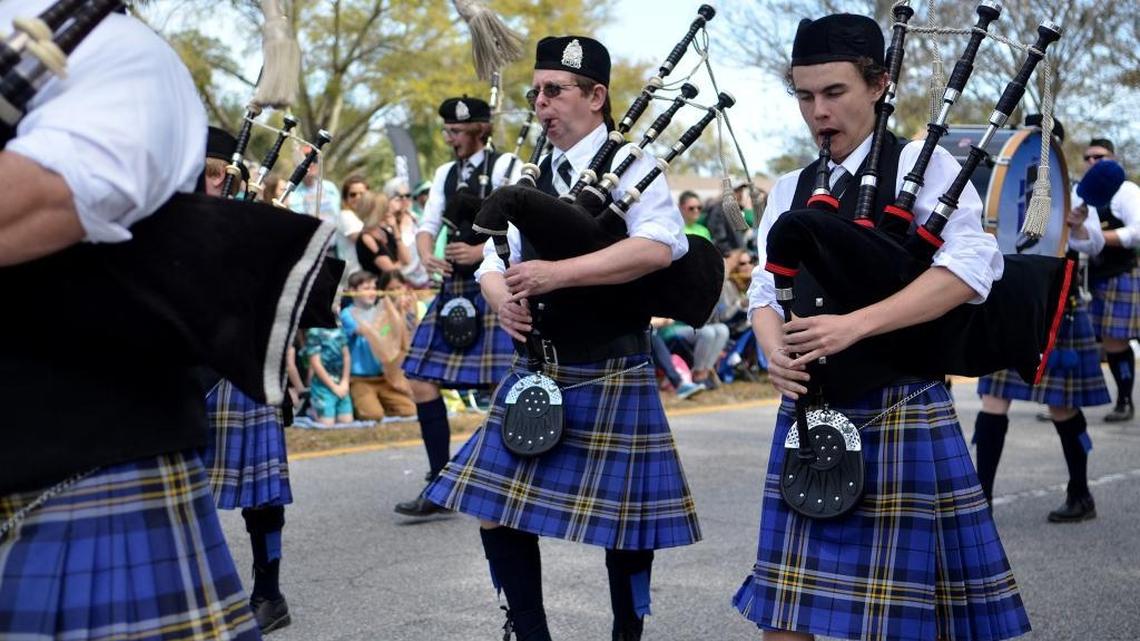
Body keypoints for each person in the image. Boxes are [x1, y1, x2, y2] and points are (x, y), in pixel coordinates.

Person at [733, 14, 1030, 640]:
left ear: (878, 85)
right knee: (783, 619)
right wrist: (769, 347)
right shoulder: (790, 187)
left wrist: (856, 326)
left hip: (901, 407)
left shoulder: (926, 166)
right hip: (810, 417)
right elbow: (767, 284)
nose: (819, 111)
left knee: (899, 625)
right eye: (805, 95)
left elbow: (971, 267)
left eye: (835, 92)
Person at [424, 35, 701, 640]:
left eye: (556, 91)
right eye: (537, 92)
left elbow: (660, 246)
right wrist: (498, 296)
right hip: (539, 368)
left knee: (625, 526)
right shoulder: (537, 172)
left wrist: (560, 273)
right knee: (493, 510)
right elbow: (496, 253)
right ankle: (528, 631)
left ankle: (628, 630)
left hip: (610, 367)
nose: (543, 104)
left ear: (596, 96)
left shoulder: (635, 168)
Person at [0, 2, 258, 638]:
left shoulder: (120, 54)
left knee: (262, 490)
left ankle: (271, 582)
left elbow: (28, 205)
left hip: (70, 493)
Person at [972, 128, 1111, 524]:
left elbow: (1094, 244)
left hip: (1055, 310)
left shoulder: (1073, 191)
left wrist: (1078, 227)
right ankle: (981, 501)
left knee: (1061, 408)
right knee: (993, 403)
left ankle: (1081, 493)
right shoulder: (1005, 179)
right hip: (1009, 305)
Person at [395, 96, 518, 517]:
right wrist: (428, 253)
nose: (451, 139)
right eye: (447, 131)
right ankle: (437, 481)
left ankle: (500, 478)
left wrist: (482, 249)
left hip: (494, 282)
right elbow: (428, 225)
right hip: (453, 287)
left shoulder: (507, 168)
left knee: (502, 386)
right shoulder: (445, 173)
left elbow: (521, 223)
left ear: (481, 130)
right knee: (419, 378)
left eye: (458, 132)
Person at [199, 126, 296, 634]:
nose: (211, 182)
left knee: (261, 491)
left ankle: (268, 591)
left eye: (219, 172)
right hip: (188, 372)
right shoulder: (172, 221)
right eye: (204, 173)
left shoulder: (255, 219)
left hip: (241, 368)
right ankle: (196, 592)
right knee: (180, 489)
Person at [1076, 145, 1140, 421]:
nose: (1091, 161)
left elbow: (1138, 231)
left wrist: (1101, 238)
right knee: (1102, 342)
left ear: (1111, 159)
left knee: (1117, 341)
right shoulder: (1084, 193)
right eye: (1087, 157)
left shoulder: (1126, 191)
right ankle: (1066, 403)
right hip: (1095, 277)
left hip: (1123, 273)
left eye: (1098, 157)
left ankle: (1125, 400)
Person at [341, 270, 417, 420]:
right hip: (359, 379)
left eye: (374, 287)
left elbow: (390, 334)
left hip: (383, 378)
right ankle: (363, 404)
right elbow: (369, 331)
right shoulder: (347, 314)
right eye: (366, 288)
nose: (372, 292)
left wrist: (403, 311)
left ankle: (380, 403)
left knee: (409, 410)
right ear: (352, 292)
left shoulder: (382, 311)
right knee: (372, 415)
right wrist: (393, 308)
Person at [304, 323, 354, 426]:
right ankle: (313, 409)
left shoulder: (340, 328)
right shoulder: (314, 332)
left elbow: (346, 356)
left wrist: (345, 381)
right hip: (323, 386)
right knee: (327, 423)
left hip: (341, 383)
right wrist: (333, 387)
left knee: (347, 421)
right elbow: (315, 363)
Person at [354, 191, 409, 276]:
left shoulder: (384, 231)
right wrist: (400, 263)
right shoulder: (366, 238)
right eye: (385, 208)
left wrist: (395, 228)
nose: (389, 211)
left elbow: (406, 260)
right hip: (378, 287)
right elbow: (391, 271)